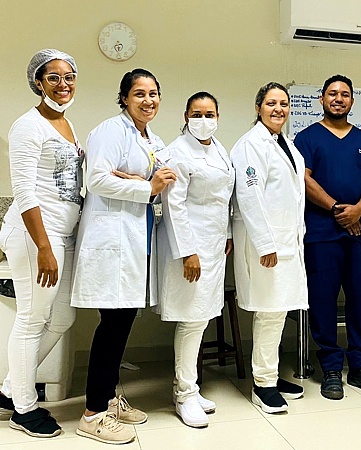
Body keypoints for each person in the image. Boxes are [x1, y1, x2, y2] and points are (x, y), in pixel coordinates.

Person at [71, 69, 177, 444]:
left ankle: (109, 399)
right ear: (125, 98)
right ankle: (93, 414)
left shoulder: (152, 138)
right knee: (113, 325)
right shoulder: (110, 131)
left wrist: (141, 182)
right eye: (139, 94)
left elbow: (168, 177)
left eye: (153, 93)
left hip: (134, 239)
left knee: (122, 321)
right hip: (112, 240)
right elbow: (97, 179)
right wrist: (145, 185)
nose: (148, 100)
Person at [0, 49, 82, 438]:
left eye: (69, 77)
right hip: (35, 235)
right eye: (54, 77)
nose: (63, 84)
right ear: (38, 82)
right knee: (32, 319)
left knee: (62, 318)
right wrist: (44, 247)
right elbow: (25, 191)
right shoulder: (27, 126)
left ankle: (9, 389)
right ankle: (24, 408)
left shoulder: (66, 124)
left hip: (62, 235)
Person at [294, 74, 361, 400]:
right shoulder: (306, 138)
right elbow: (303, 179)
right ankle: (331, 369)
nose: (338, 98)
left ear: (352, 101)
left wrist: (359, 210)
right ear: (321, 99)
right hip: (322, 234)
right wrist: (337, 209)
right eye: (332, 93)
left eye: (345, 94)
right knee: (323, 301)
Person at [155, 91, 234, 427]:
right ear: (186, 117)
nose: (204, 120)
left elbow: (223, 197)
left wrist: (227, 233)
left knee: (201, 317)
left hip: (214, 245)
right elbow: (174, 206)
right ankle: (183, 393)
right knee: (191, 319)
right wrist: (188, 251)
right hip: (190, 247)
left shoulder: (219, 149)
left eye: (209, 114)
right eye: (197, 114)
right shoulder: (176, 152)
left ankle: (191, 387)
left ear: (217, 117)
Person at [230, 82, 307, 414]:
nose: (279, 109)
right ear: (258, 107)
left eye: (284, 104)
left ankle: (271, 376)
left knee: (278, 310)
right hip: (268, 243)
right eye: (272, 103)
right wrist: (265, 243)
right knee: (270, 311)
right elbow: (250, 197)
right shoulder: (251, 145)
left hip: (286, 240)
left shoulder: (284, 142)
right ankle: (262, 385)